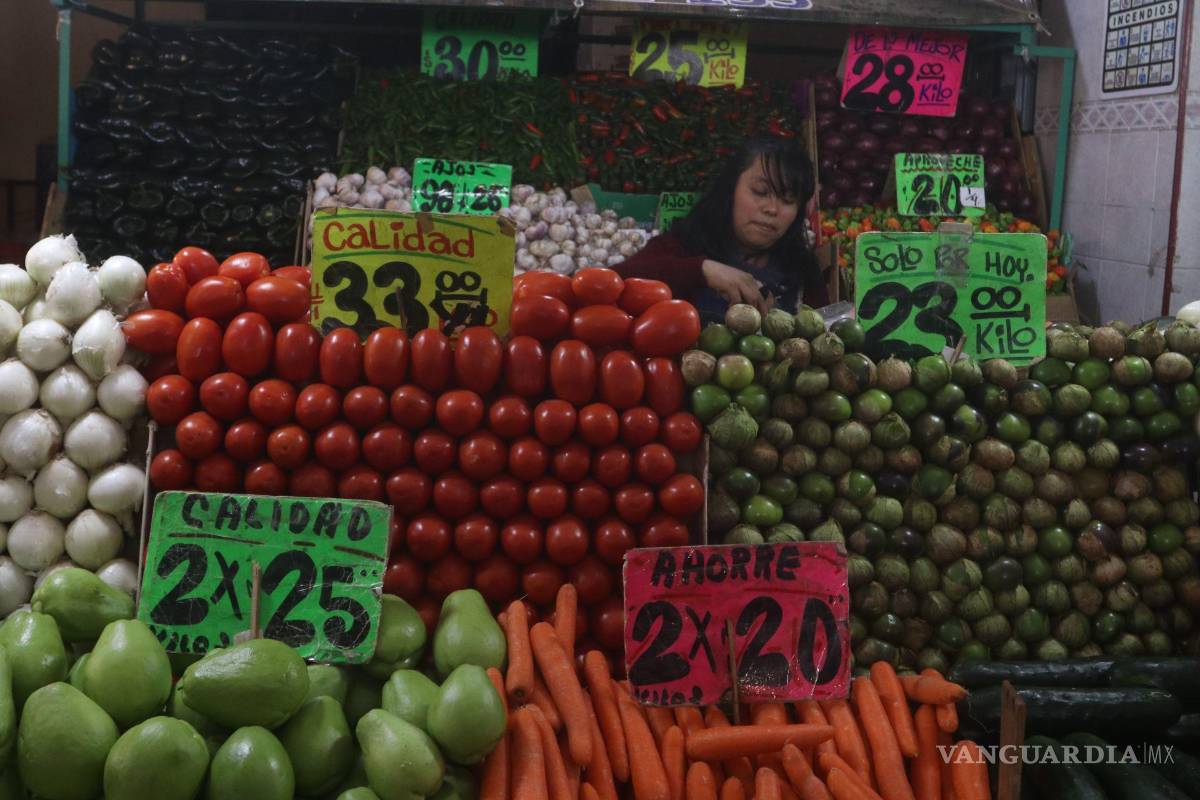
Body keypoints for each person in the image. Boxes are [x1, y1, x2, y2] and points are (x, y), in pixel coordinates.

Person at [614, 135, 829, 323]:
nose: (772, 209)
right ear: (731, 189)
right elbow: (612, 284)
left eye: (788, 199)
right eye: (760, 191)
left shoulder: (804, 276)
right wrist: (702, 270)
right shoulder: (682, 245)